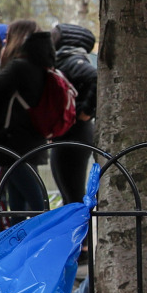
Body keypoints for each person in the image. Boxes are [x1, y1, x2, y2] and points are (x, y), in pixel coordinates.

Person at [0, 20, 54, 215]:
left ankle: (48, 236)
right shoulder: (40, 64)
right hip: (31, 137)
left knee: (35, 200)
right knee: (18, 200)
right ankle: (20, 241)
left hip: (14, 140)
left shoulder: (18, 67)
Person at [50, 24, 97, 205]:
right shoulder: (62, 60)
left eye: (55, 34)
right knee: (68, 195)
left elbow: (95, 77)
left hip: (76, 133)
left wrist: (85, 111)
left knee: (73, 197)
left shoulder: (72, 60)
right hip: (67, 133)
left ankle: (81, 234)